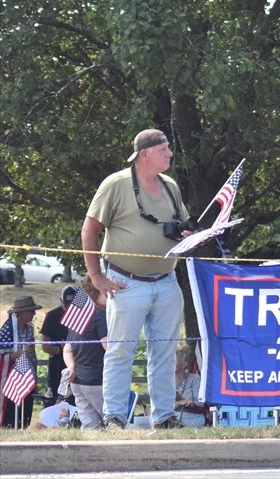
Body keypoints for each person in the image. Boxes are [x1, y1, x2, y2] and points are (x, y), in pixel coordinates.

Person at [81, 128, 194, 430]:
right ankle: (115, 416)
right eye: (164, 149)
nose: (170, 154)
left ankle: (164, 416)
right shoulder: (115, 184)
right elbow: (89, 230)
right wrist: (97, 277)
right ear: (145, 153)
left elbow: (182, 224)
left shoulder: (170, 186)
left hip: (167, 281)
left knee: (165, 352)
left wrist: (188, 234)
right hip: (125, 282)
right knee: (120, 350)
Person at [63, 277, 107, 429]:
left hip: (77, 383)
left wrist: (71, 367)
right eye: (107, 291)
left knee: (90, 426)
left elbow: (67, 348)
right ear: (98, 291)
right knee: (112, 422)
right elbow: (109, 346)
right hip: (97, 380)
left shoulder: (78, 315)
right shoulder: (100, 315)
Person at [0, 295, 42, 428]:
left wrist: (35, 377)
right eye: (31, 310)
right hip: (12, 381)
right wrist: (15, 356)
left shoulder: (30, 329)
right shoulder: (7, 332)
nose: (34, 313)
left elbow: (33, 355)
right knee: (12, 415)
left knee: (26, 413)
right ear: (20, 313)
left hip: (28, 377)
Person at [40, 286, 75, 405]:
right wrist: (62, 349)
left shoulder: (83, 317)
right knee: (55, 397)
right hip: (57, 365)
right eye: (66, 304)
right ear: (61, 300)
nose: (69, 308)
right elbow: (44, 346)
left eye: (72, 304)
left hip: (80, 363)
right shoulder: (52, 316)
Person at [174, 345, 207, 426]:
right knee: (139, 422)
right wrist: (180, 402)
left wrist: (181, 400)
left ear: (184, 364)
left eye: (174, 360)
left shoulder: (195, 379)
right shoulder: (166, 381)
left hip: (193, 416)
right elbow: (162, 407)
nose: (170, 363)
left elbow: (200, 404)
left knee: (168, 420)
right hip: (170, 415)